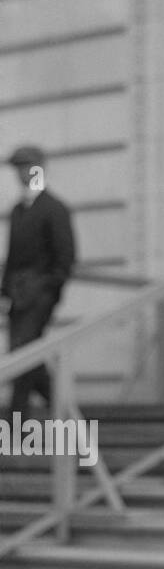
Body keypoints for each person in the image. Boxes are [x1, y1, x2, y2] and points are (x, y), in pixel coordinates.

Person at [1, 145, 75, 418]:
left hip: (40, 293)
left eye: (28, 167)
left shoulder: (54, 208)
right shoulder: (18, 210)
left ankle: (15, 422)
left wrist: (49, 287)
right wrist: (5, 291)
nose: (23, 173)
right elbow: (11, 256)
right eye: (19, 168)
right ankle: (64, 411)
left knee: (23, 354)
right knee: (26, 357)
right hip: (19, 295)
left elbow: (65, 257)